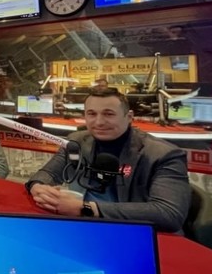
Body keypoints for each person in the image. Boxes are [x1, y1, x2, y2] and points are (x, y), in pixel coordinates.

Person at [26, 88, 190, 233]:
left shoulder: (164, 154)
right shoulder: (76, 141)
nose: (99, 122)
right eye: (92, 114)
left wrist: (85, 208)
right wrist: (37, 187)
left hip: (134, 233)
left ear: (129, 117)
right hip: (82, 228)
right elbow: (47, 173)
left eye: (108, 114)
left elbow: (169, 214)